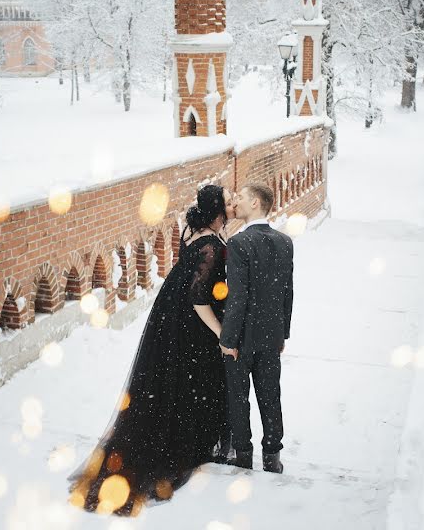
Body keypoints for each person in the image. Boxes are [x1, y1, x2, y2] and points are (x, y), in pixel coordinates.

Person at [68, 184, 233, 516]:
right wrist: (220, 333)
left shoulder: (193, 232)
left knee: (169, 383)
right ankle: (183, 446)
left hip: (169, 316)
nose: (231, 207)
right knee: (192, 382)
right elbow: (199, 297)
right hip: (190, 321)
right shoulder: (212, 246)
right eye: (228, 203)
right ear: (217, 211)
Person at [220, 183, 294, 474]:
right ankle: (272, 456)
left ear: (255, 203)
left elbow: (238, 296)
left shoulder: (239, 243)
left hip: (242, 338)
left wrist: (228, 339)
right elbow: (287, 292)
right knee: (270, 394)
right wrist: (283, 334)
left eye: (241, 198)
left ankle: (243, 453)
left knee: (239, 398)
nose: (236, 202)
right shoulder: (285, 242)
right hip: (271, 336)